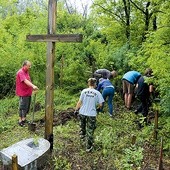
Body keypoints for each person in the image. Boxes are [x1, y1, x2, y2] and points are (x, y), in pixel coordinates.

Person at [74, 78, 104, 152]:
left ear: (88, 83)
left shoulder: (84, 91)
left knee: (82, 127)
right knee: (90, 130)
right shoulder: (97, 93)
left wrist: (76, 110)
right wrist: (98, 108)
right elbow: (101, 104)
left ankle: (82, 140)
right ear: (95, 84)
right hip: (91, 114)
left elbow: (79, 102)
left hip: (82, 112)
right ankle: (88, 147)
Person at [16, 60, 38, 127]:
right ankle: (20, 121)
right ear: (24, 65)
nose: (30, 67)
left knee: (26, 107)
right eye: (29, 66)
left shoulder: (26, 72)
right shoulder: (20, 72)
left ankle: (24, 119)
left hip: (28, 92)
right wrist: (33, 86)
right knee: (22, 107)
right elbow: (25, 81)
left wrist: (32, 89)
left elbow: (28, 80)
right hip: (23, 93)